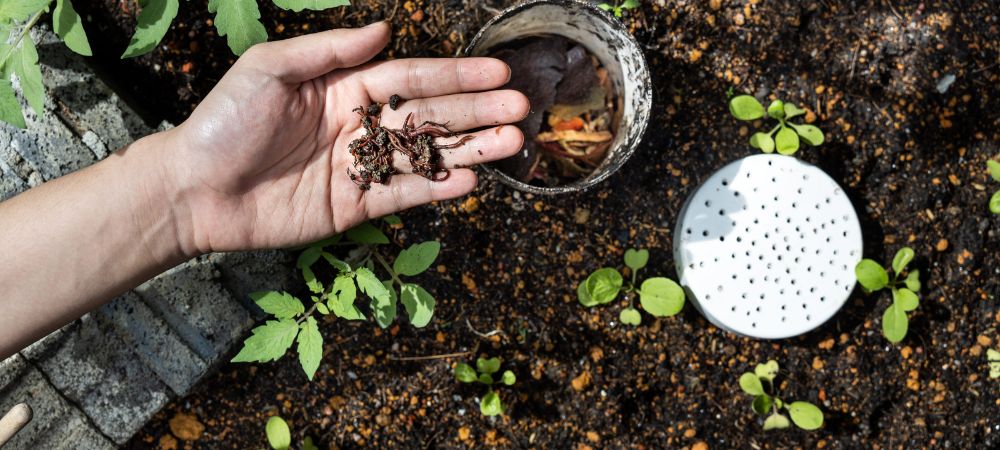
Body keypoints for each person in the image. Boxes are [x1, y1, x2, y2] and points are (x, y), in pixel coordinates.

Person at [0, 23, 529, 359]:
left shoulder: (373, 140)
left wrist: (178, 189)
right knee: (437, 150)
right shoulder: (369, 143)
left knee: (438, 148)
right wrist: (178, 192)